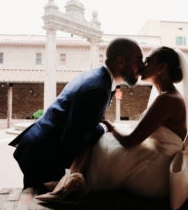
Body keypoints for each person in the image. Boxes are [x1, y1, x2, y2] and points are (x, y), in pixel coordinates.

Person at [36, 46, 188, 210]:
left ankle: (70, 182)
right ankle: (70, 180)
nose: (142, 66)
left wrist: (110, 127)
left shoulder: (167, 99)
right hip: (158, 161)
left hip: (157, 174)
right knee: (100, 138)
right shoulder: (167, 96)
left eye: (148, 61)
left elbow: (130, 141)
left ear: (161, 67)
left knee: (98, 138)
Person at [9, 38, 144, 191]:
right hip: (44, 155)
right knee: (40, 207)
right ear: (120, 62)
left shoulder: (99, 78)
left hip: (40, 147)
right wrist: (103, 128)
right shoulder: (98, 88)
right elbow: (76, 137)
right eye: (138, 60)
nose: (142, 66)